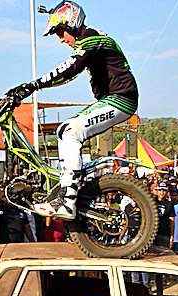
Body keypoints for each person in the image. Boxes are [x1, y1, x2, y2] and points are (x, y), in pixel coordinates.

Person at [7, 1, 138, 219]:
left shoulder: (94, 40)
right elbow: (68, 75)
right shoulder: (90, 43)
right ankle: (69, 184)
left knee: (70, 132)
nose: (60, 39)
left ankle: (67, 201)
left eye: (60, 31)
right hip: (112, 99)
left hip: (120, 100)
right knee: (63, 131)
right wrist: (34, 86)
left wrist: (32, 85)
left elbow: (68, 69)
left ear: (72, 23)